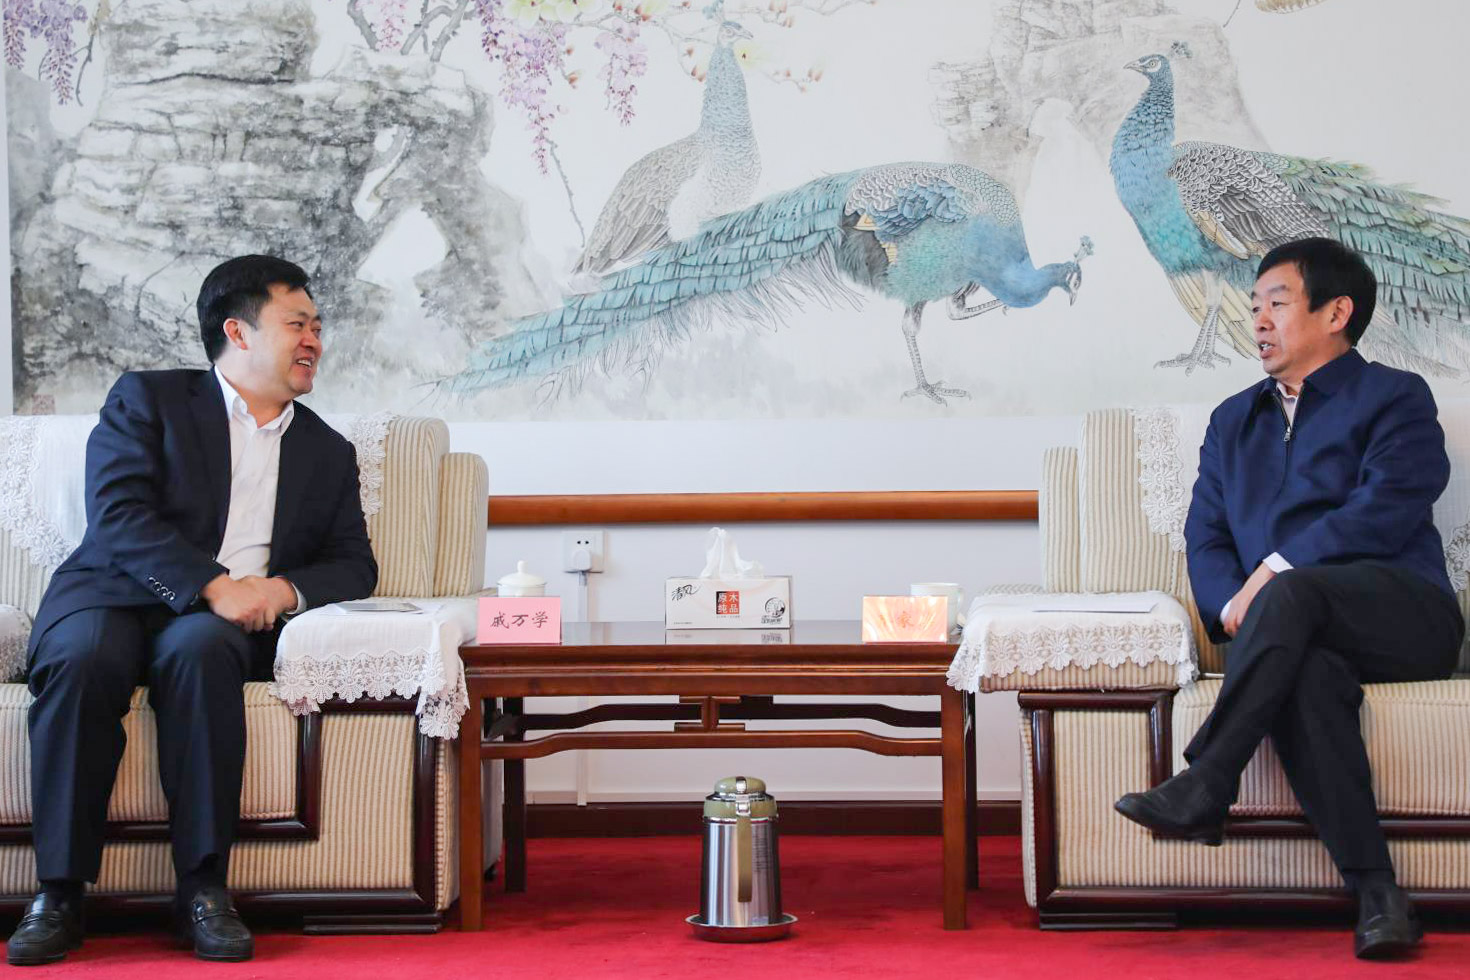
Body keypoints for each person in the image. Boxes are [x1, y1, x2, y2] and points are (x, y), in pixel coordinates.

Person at [6, 256, 378, 965]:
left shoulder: (328, 451)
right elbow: (118, 513)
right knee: (83, 660)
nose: (314, 341)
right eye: (297, 324)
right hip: (112, 592)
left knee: (201, 653)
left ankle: (203, 889)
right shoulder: (149, 400)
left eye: (317, 327)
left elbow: (354, 563)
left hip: (219, 626)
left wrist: (278, 591)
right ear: (238, 331)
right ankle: (58, 892)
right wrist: (215, 584)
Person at [1114, 237, 1464, 959]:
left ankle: (1209, 779)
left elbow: (1389, 506)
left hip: (1404, 616)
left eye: (1277, 303)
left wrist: (1273, 573)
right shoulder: (1232, 420)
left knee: (1295, 594)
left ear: (1337, 312)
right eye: (1254, 307)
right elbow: (1207, 534)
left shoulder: (1396, 397)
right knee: (1303, 675)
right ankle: (1380, 897)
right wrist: (1231, 608)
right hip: (1287, 631)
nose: (1259, 320)